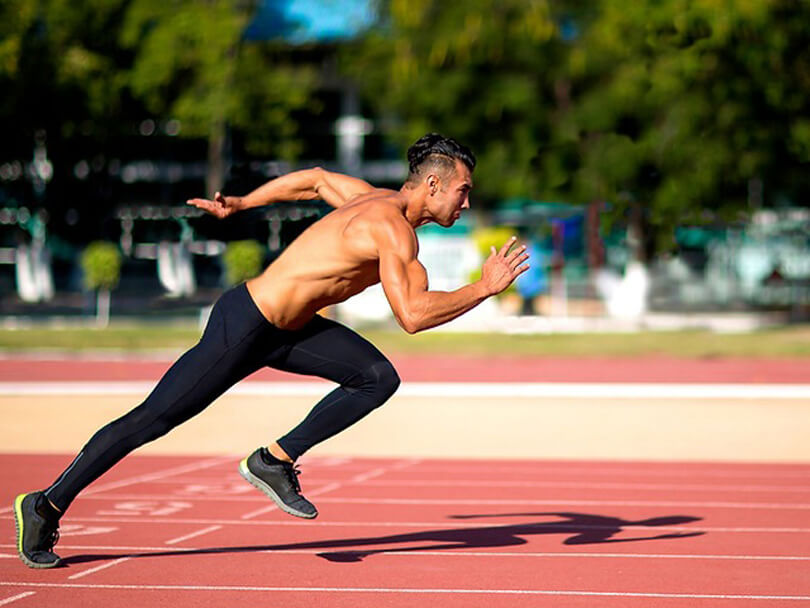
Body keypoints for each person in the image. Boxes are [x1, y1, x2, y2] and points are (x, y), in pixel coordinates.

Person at [14, 133, 530, 569]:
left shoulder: (369, 198)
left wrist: (242, 203)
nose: (465, 204)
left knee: (377, 376)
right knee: (153, 418)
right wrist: (484, 288)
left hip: (292, 329)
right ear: (433, 184)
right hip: (246, 324)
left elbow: (314, 178)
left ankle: (273, 459)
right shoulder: (388, 227)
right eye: (462, 192)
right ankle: (46, 504)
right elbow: (413, 316)